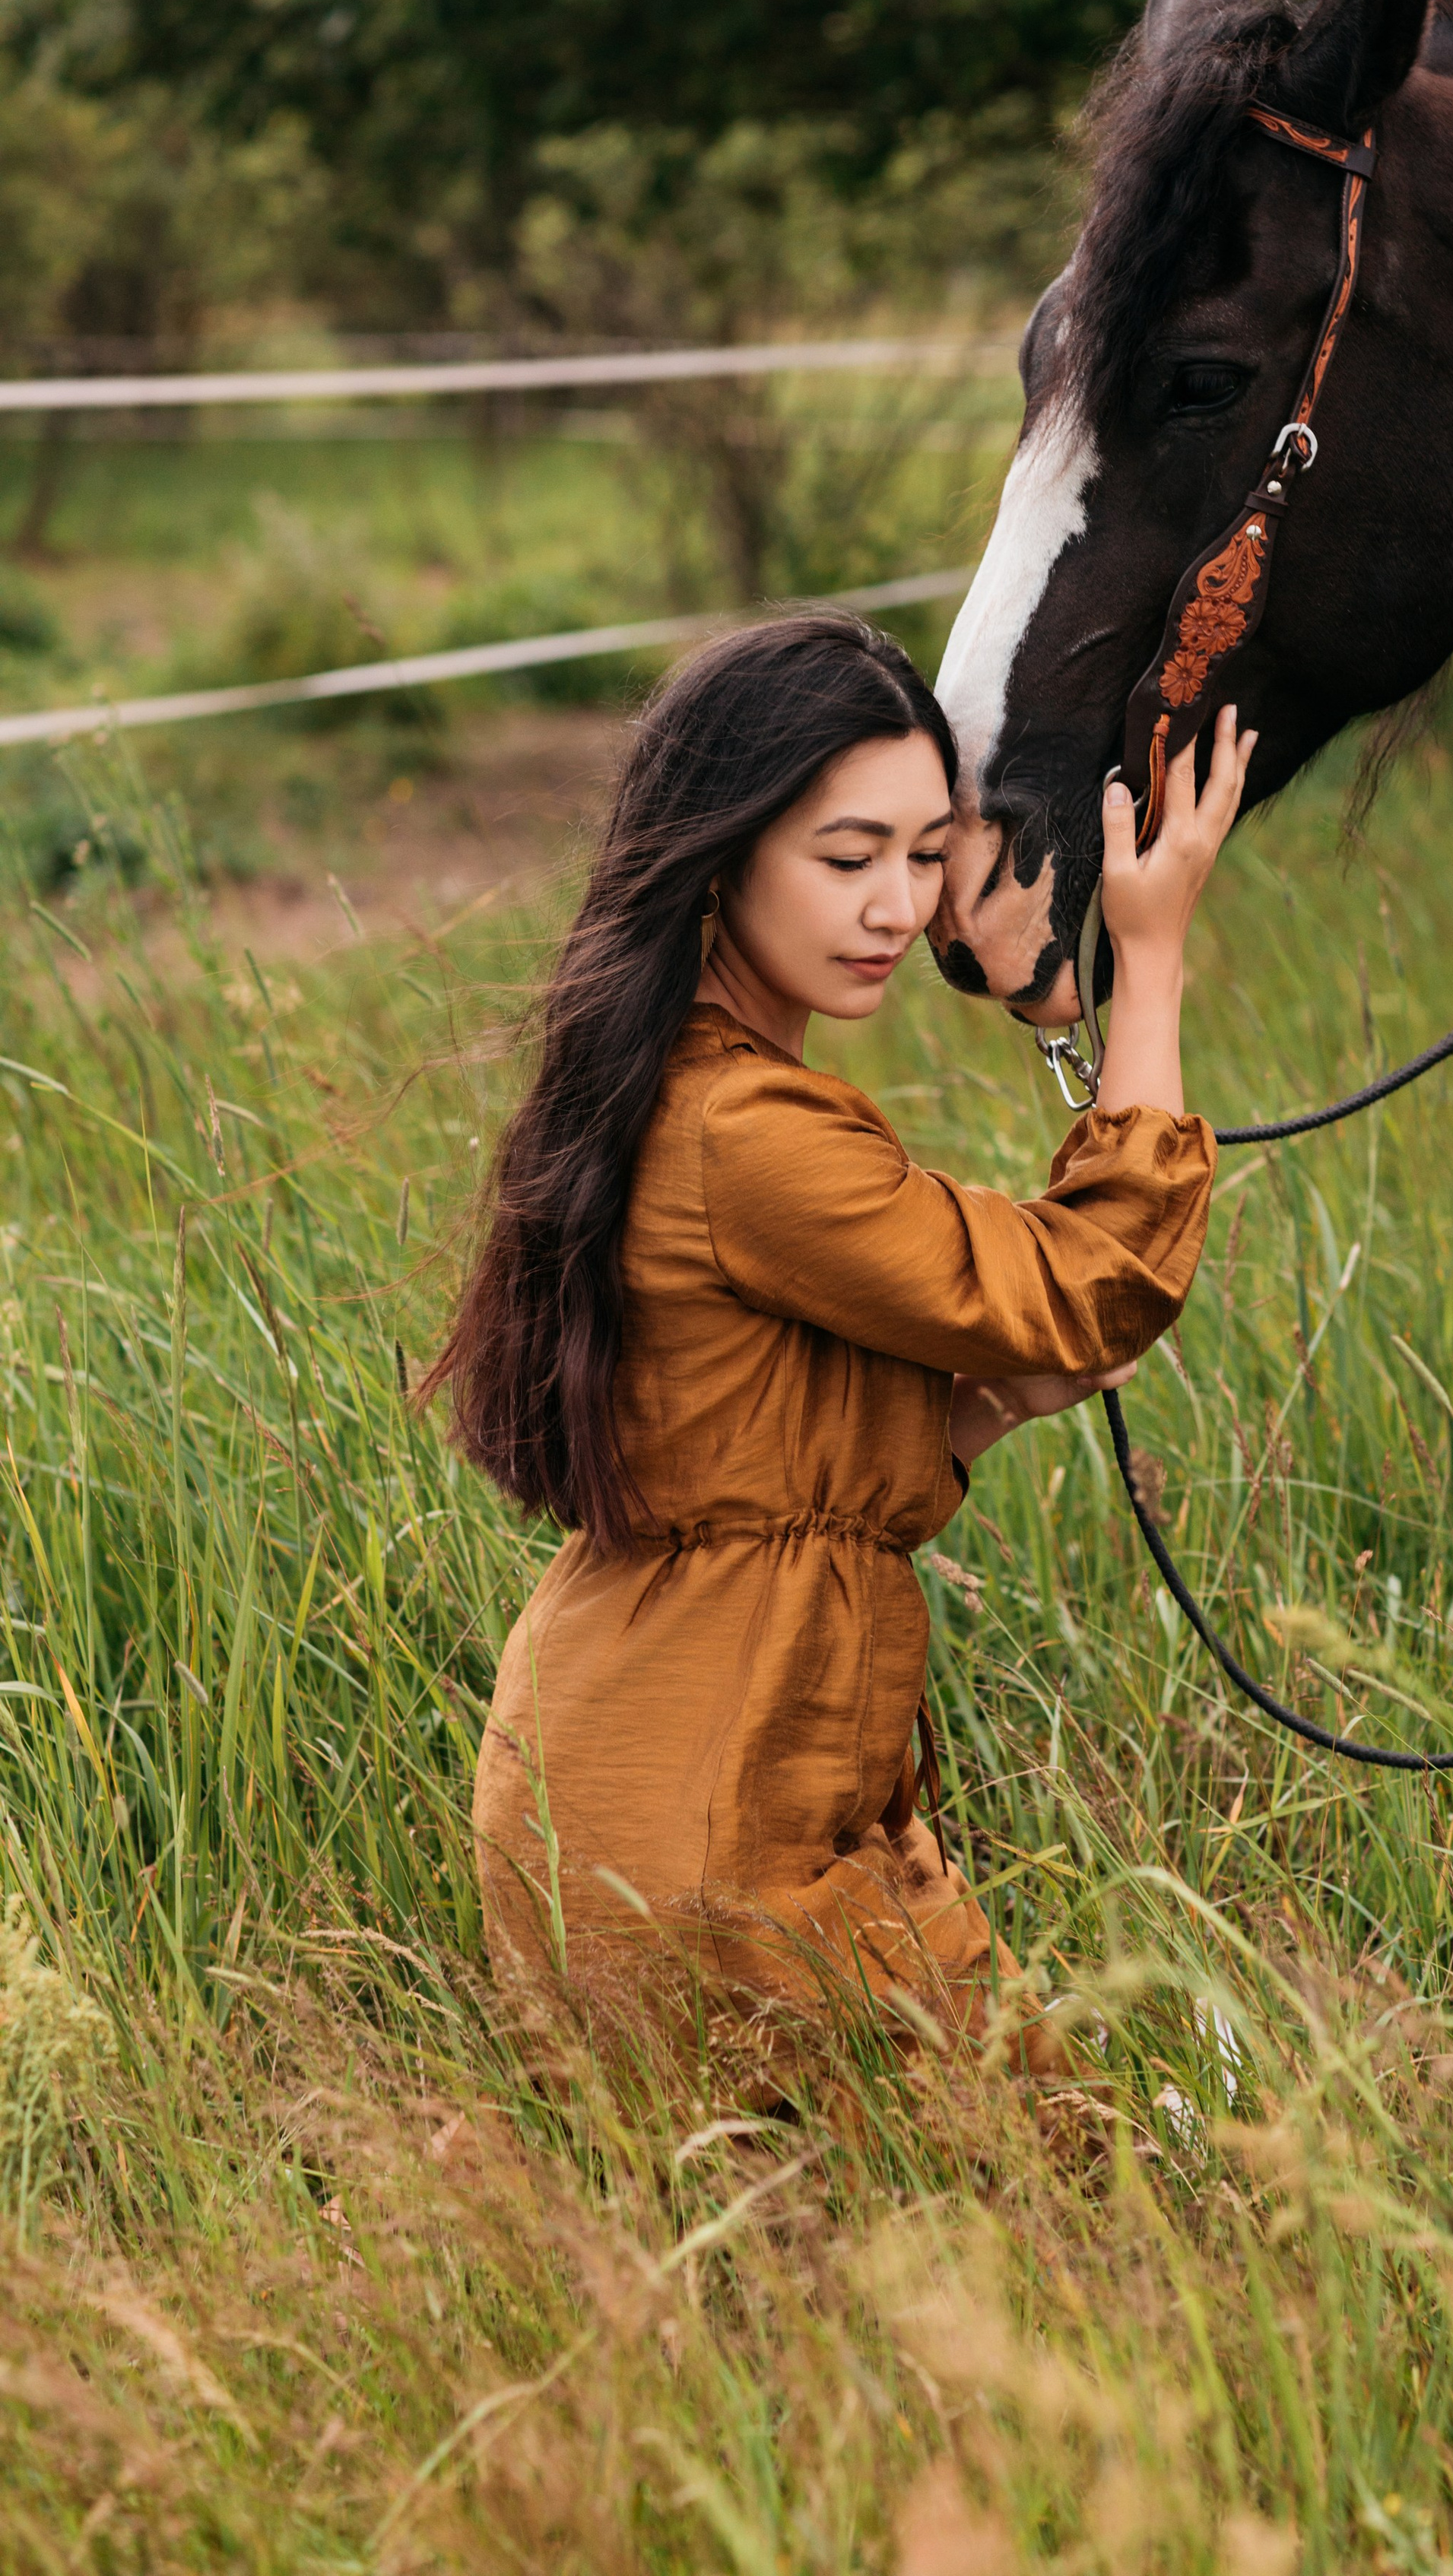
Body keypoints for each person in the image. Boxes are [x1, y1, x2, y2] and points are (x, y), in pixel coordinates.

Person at [428, 609, 1252, 2088]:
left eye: (926, 854)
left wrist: (982, 1410)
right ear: (721, 851)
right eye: (846, 855)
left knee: (1028, 2202)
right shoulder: (748, 1133)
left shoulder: (690, 1086)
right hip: (702, 1817)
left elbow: (767, 1456)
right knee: (1013, 2221)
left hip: (700, 1772)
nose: (895, 905)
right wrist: (1149, 946)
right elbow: (1095, 1279)